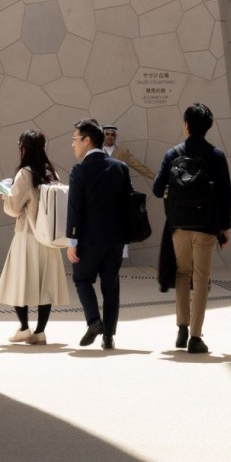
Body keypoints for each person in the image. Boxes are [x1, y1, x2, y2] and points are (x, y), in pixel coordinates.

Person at [152, 102, 231, 354]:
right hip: (207, 226)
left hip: (178, 225)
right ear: (207, 127)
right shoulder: (216, 156)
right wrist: (225, 228)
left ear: (186, 125)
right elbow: (225, 194)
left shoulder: (172, 154)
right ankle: (196, 338)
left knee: (182, 273)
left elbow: (156, 189)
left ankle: (182, 328)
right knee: (201, 278)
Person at [0, 128, 70, 342]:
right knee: (46, 284)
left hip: (26, 235)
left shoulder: (25, 173)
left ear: (23, 148)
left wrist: (5, 196)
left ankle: (24, 327)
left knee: (19, 281)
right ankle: (40, 331)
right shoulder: (51, 173)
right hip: (49, 237)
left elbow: (14, 208)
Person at [66, 117, 132, 349]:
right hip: (115, 240)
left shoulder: (79, 171)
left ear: (87, 140)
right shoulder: (120, 168)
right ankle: (109, 336)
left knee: (82, 279)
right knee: (110, 286)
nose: (73, 144)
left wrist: (71, 241)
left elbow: (75, 208)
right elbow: (128, 204)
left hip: (88, 240)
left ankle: (94, 321)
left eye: (75, 139)